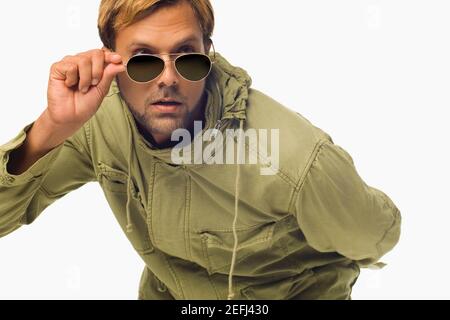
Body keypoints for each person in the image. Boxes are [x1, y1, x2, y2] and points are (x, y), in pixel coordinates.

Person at [0, 0, 401, 300]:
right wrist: (52, 128)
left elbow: (374, 235)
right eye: (143, 61)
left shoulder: (290, 158)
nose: (168, 80)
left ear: (208, 52)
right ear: (110, 59)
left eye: (187, 57)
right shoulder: (96, 123)